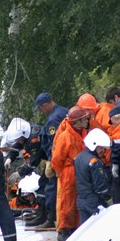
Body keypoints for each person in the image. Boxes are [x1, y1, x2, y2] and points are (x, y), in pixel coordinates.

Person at [51, 107, 90, 241]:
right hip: (69, 172)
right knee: (67, 203)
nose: (87, 120)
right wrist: (63, 174)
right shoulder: (65, 137)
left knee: (80, 201)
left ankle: (76, 228)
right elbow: (57, 160)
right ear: (78, 121)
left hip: (82, 172)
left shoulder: (84, 133)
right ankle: (64, 230)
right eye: (85, 118)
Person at [34, 92, 68, 228]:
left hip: (57, 158)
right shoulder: (64, 111)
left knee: (51, 189)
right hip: (66, 158)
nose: (41, 112)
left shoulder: (54, 119)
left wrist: (52, 161)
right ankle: (49, 216)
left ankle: (50, 218)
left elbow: (54, 142)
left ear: (46, 105)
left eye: (41, 108)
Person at [74, 128, 112, 224]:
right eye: (101, 148)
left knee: (84, 230)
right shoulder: (94, 162)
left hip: (81, 200)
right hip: (94, 202)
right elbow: (100, 187)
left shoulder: (79, 157)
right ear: (94, 145)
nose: (103, 151)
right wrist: (109, 200)